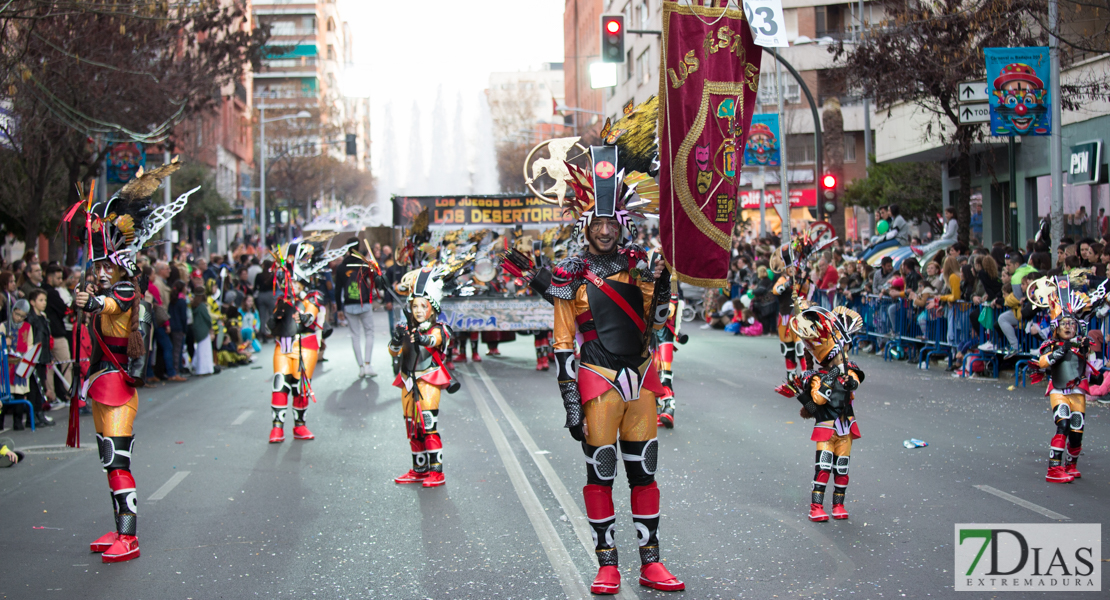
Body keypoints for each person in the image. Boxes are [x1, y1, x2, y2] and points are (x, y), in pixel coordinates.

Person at [547, 148, 683, 594]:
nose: (605, 231)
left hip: (641, 380)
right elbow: (563, 342)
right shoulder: (569, 273)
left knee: (644, 472)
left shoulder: (640, 264)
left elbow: (657, 325)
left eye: (611, 223)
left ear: (621, 223)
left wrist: (661, 283)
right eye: (597, 223)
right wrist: (572, 404)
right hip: (597, 383)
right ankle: (607, 564)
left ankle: (652, 562)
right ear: (584, 225)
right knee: (600, 473)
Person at [70, 158, 195, 563]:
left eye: (107, 265)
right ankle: (119, 527)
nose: (101, 271)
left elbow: (108, 304)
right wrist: (84, 302)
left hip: (118, 390)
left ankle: (130, 535)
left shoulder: (126, 292)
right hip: (102, 384)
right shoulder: (113, 288)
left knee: (118, 460)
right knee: (110, 460)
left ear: (119, 267)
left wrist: (91, 300)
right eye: (99, 266)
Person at [776, 303, 865, 522]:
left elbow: (855, 382)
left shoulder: (850, 370)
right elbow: (818, 400)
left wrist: (846, 379)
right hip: (826, 427)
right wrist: (833, 375)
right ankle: (816, 506)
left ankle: (838, 505)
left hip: (845, 427)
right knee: (824, 468)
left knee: (842, 469)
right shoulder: (816, 377)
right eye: (840, 352)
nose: (843, 354)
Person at [1029, 276, 1104, 483]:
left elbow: (1092, 363)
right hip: (1059, 390)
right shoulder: (1052, 344)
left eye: (1071, 323)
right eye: (1064, 323)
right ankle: (1054, 468)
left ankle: (1071, 465)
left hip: (1078, 390)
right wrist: (1057, 354)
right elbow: (1041, 362)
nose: (1068, 326)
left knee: (1077, 429)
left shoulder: (1082, 343)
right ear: (1057, 326)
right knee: (1063, 424)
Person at [388, 265, 455, 488]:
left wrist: (421, 338)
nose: (418, 310)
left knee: (428, 425)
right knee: (412, 426)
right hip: (407, 379)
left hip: (427, 379)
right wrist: (398, 340)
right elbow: (393, 351)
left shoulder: (439, 327)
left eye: (423, 306)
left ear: (431, 307)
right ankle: (419, 469)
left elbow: (435, 340)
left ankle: (436, 471)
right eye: (414, 306)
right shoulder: (406, 326)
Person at [266, 242, 327, 443]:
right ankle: (277, 428)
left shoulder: (313, 296)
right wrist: (274, 320)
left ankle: (299, 425)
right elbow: (272, 324)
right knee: (280, 383)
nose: (289, 284)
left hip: (305, 345)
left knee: (300, 386)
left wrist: (300, 300)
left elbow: (311, 316)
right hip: (283, 344)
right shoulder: (282, 299)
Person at [335, 238, 382, 378]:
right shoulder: (364, 264)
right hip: (365, 303)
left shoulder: (341, 267)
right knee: (369, 332)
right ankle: (368, 364)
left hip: (349, 304)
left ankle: (361, 366)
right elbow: (375, 280)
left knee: (355, 336)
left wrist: (339, 309)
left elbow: (338, 289)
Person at [770, 245, 810, 378]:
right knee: (788, 349)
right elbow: (776, 290)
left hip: (799, 318)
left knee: (801, 348)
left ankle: (805, 375)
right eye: (789, 268)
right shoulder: (782, 280)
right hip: (785, 317)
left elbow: (807, 290)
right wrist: (787, 284)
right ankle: (791, 376)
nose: (791, 270)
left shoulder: (801, 280)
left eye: (793, 268)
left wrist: (802, 279)